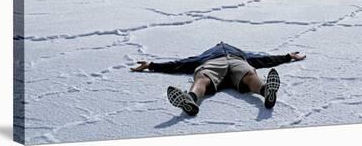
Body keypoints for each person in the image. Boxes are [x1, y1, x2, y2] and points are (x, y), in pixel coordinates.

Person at [130, 41, 306, 116]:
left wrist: (286, 56)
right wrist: (152, 65)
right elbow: (180, 64)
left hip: (236, 62)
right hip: (214, 63)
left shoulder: (243, 54)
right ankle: (189, 100)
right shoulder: (204, 56)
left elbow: (264, 59)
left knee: (249, 73)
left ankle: (267, 91)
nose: (222, 44)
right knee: (203, 77)